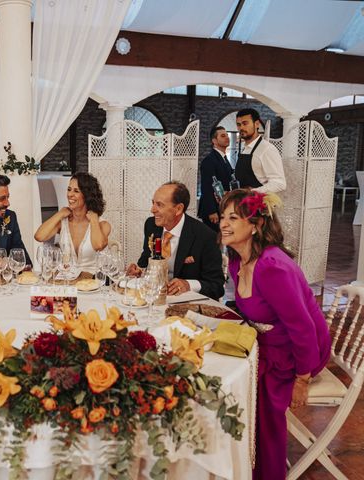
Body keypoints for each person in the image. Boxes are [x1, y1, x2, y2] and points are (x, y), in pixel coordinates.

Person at [219, 188, 330, 480]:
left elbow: (303, 328)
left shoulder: (272, 267)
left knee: (255, 395)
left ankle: (265, 471)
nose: (223, 223)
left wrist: (302, 380)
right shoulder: (235, 260)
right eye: (222, 217)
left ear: (255, 226)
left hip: (300, 351)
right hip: (269, 339)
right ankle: (237, 463)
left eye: (233, 217)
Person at [126, 181, 224, 300]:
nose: (152, 210)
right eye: (153, 203)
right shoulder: (151, 225)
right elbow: (146, 259)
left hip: (184, 303)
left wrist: (188, 285)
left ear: (178, 209)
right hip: (154, 298)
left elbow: (217, 286)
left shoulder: (205, 236)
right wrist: (139, 271)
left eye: (159, 205)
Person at [34, 172, 110, 274]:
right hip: (67, 283)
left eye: (76, 191)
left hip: (93, 283)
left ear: (87, 195)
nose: (70, 194)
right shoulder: (63, 222)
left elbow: (98, 245)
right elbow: (39, 236)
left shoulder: (102, 225)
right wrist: (60, 213)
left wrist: (94, 219)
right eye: (69, 189)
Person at [235, 108, 286, 193]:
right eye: (239, 124)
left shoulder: (267, 149)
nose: (241, 127)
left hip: (259, 203)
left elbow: (280, 183)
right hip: (243, 203)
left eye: (245, 123)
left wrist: (253, 192)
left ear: (257, 124)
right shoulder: (245, 149)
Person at [198, 126, 233, 231]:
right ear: (214, 140)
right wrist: (211, 211)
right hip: (213, 211)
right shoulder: (209, 160)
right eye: (223, 136)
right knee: (213, 243)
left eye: (227, 135)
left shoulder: (224, 159)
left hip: (222, 207)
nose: (227, 138)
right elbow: (206, 187)